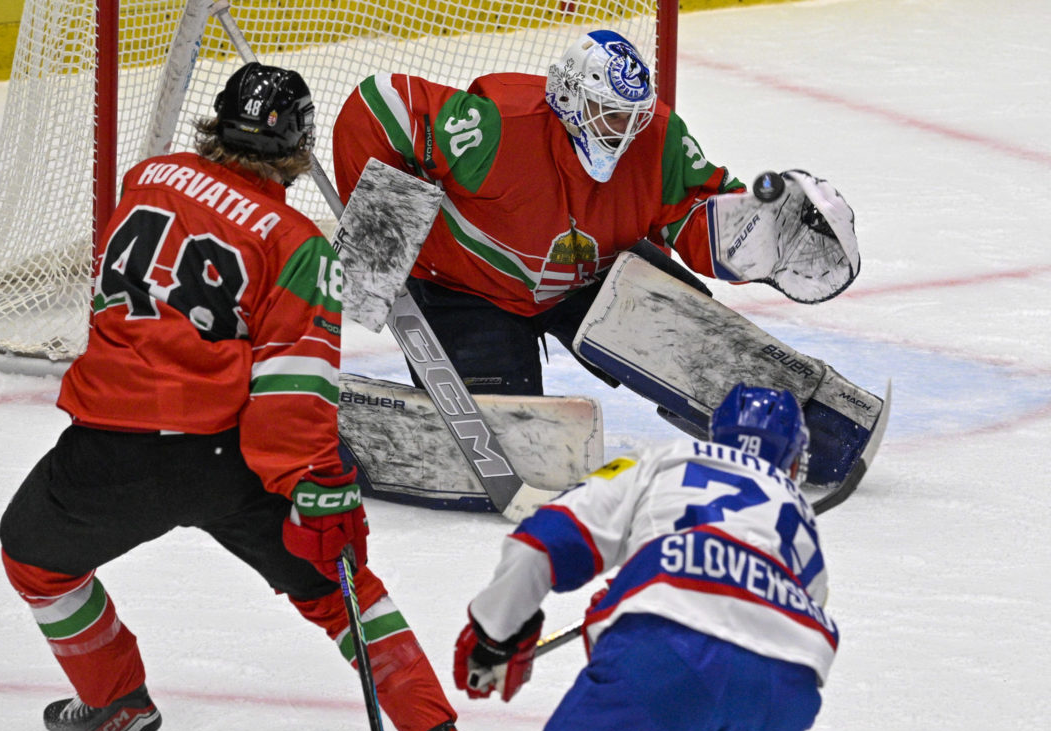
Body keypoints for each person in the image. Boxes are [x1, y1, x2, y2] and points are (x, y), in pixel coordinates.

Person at [0, 62, 477, 731]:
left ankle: (115, 706)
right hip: (230, 459)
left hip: (111, 447)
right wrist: (319, 487)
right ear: (300, 145)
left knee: (35, 560)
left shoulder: (147, 177)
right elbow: (293, 388)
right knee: (337, 587)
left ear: (218, 122)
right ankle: (434, 730)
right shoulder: (296, 243)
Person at [331, 30, 868, 485]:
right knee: (518, 453)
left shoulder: (656, 138)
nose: (622, 129)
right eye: (607, 113)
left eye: (630, 115)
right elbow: (379, 106)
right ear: (567, 96)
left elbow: (698, 211)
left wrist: (764, 233)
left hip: (594, 277)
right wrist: (379, 236)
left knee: (693, 331)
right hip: (465, 290)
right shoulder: (498, 126)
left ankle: (805, 425)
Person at [453, 383, 837, 731]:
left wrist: (495, 635)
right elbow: (758, 623)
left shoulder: (659, 462)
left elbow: (539, 546)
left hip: (667, 648)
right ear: (794, 460)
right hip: (781, 686)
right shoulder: (802, 520)